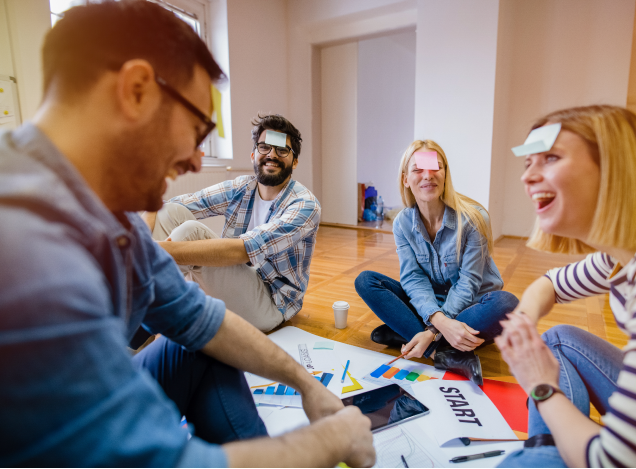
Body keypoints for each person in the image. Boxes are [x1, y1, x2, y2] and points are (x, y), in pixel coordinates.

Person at [0, 2, 375, 466]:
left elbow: (205, 321)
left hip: (270, 300)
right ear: (136, 90)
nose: (198, 160)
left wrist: (306, 383)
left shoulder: (110, 220)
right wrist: (331, 442)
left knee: (200, 339)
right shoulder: (25, 248)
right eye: (198, 129)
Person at [495, 105, 636, 468]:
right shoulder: (622, 252)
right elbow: (550, 284)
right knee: (557, 337)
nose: (528, 177)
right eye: (528, 163)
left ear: (613, 169)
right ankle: (550, 445)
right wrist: (524, 324)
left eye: (551, 158)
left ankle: (547, 451)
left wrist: (541, 386)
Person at [355, 140, 519, 385]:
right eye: (418, 169)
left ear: (445, 174)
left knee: (507, 303)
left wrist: (432, 330)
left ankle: (410, 334)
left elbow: (469, 283)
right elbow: (413, 278)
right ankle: (441, 351)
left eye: (435, 168)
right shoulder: (402, 223)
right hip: (431, 308)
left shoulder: (474, 218)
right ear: (405, 179)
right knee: (367, 281)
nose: (428, 175)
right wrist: (439, 324)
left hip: (470, 307)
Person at [144, 114, 319, 332]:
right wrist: (141, 238)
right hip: (234, 279)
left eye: (282, 150)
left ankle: (144, 318)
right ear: (254, 154)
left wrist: (159, 250)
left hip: (272, 304)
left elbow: (245, 250)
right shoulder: (241, 188)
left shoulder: (304, 205)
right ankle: (151, 303)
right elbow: (167, 205)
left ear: (294, 161)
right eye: (265, 147)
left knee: (189, 232)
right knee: (170, 213)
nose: (272, 155)